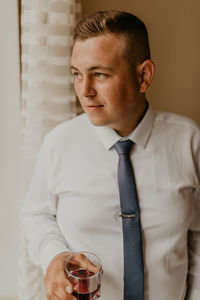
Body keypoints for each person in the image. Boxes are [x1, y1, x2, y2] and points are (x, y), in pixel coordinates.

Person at [21, 10, 200, 300]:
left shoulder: (190, 142)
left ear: (143, 75)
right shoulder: (58, 143)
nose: (84, 91)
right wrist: (54, 256)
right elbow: (37, 215)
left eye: (99, 75)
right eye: (77, 74)